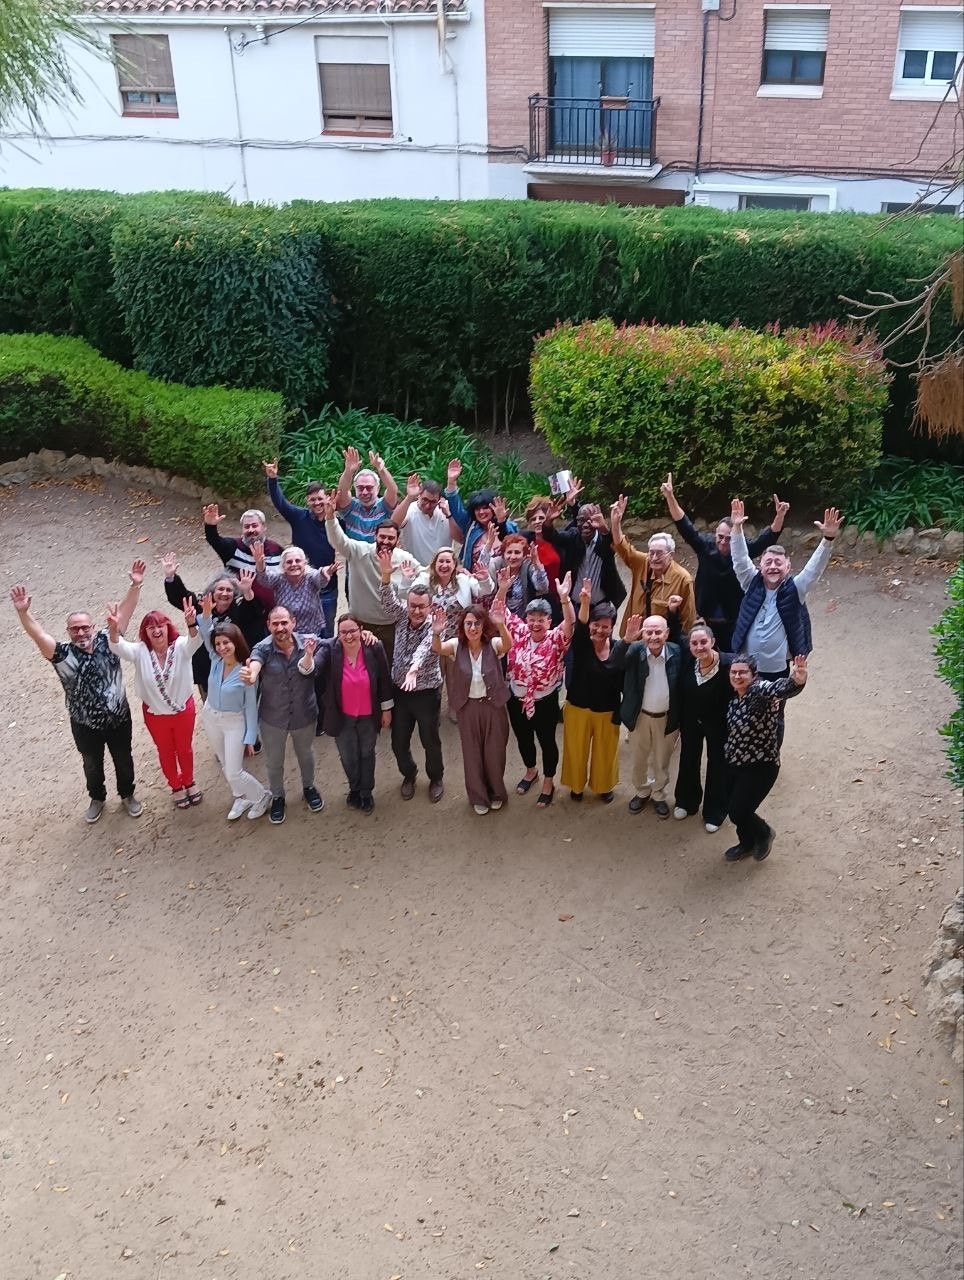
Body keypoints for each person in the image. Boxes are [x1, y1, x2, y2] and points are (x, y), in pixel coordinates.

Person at [10, 562, 146, 823]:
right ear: (68, 632)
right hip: (84, 724)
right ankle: (97, 798)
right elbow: (38, 635)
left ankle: (128, 794)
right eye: (75, 628)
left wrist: (135, 584)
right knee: (91, 764)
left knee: (123, 759)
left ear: (93, 627)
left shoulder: (109, 639)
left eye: (85, 627)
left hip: (119, 718)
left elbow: (125, 611)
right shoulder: (61, 654)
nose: (81, 632)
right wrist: (23, 613)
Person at [730, 498, 841, 743]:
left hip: (776, 670)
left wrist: (827, 539)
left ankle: (771, 754)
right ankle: (745, 747)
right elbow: (739, 559)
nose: (772, 567)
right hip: (747, 667)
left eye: (778, 563)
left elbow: (814, 569)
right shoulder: (751, 582)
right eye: (768, 562)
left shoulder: (796, 588)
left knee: (774, 715)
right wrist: (736, 529)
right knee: (743, 710)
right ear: (760, 566)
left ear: (788, 567)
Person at [660, 473, 787, 651]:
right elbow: (683, 524)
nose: (723, 542)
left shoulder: (743, 549)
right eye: (720, 537)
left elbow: (768, 538)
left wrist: (780, 516)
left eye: (729, 538)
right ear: (715, 535)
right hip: (705, 619)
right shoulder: (705, 546)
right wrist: (670, 497)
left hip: (735, 620)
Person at [108, 598, 203, 809]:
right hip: (156, 715)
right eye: (151, 627)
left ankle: (189, 781)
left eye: (160, 625)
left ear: (168, 627)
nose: (157, 631)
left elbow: (195, 641)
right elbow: (117, 646)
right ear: (145, 632)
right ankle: (176, 786)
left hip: (183, 711)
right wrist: (114, 629)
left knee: (185, 749)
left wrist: (191, 623)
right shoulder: (140, 651)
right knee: (165, 751)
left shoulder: (180, 646)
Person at [241, 606, 325, 825]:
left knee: (306, 755)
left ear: (293, 623)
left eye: (284, 623)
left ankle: (309, 787)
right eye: (275, 624)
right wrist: (252, 674)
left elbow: (334, 643)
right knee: (274, 761)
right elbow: (255, 663)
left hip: (304, 714)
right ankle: (278, 796)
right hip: (273, 718)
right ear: (269, 625)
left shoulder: (308, 642)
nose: (280, 628)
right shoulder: (262, 648)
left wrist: (363, 633)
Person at [432, 590, 513, 815]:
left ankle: (496, 793)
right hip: (468, 709)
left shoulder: (492, 644)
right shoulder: (456, 645)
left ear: (483, 625)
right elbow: (437, 648)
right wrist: (436, 633)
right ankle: (478, 796)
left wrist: (501, 625)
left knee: (494, 754)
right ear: (463, 626)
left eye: (477, 623)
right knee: (472, 755)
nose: (473, 628)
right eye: (468, 623)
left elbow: (507, 645)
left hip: (493, 708)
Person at [723, 653, 808, 863]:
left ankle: (764, 833)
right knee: (738, 808)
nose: (737, 676)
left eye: (743, 672)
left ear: (753, 675)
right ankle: (746, 843)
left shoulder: (760, 692)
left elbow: (779, 688)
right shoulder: (734, 697)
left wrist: (797, 679)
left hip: (761, 765)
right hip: (735, 761)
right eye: (734, 672)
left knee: (738, 811)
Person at [504, 570, 576, 807]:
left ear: (549, 621)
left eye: (541, 619)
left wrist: (564, 599)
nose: (535, 623)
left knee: (547, 741)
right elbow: (499, 611)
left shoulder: (556, 638)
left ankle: (548, 780)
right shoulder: (518, 632)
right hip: (516, 698)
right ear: (526, 619)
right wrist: (502, 589)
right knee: (523, 738)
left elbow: (570, 622)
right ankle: (530, 771)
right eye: (531, 618)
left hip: (544, 701)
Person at [196, 596, 272, 821]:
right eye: (218, 643)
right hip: (211, 717)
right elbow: (206, 633)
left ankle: (262, 796)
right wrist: (206, 614)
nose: (221, 647)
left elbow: (250, 707)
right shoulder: (215, 659)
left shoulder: (246, 671)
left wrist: (250, 737)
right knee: (224, 764)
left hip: (233, 722)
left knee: (234, 771)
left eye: (226, 643)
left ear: (236, 642)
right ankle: (240, 796)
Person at [377, 555, 445, 803]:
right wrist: (386, 575)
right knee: (398, 742)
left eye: (421, 607)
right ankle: (409, 774)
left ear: (430, 606)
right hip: (400, 693)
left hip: (426, 693)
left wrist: (414, 669)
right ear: (407, 604)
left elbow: (426, 649)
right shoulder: (400, 616)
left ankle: (436, 778)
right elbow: (387, 600)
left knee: (430, 740)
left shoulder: (436, 627)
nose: (416, 611)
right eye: (413, 605)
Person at [324, 498, 421, 664]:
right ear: (375, 536)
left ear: (397, 541)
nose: (385, 542)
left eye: (390, 538)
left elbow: (425, 574)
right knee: (362, 667)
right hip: (361, 624)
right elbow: (338, 540)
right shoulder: (358, 551)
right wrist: (330, 517)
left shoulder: (404, 559)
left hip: (391, 625)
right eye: (382, 536)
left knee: (388, 666)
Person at [560, 580, 631, 804]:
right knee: (575, 750)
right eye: (595, 624)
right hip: (578, 707)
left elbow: (623, 678)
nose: (599, 630)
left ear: (612, 628)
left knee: (606, 752)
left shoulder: (619, 648)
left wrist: (629, 639)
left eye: (605, 626)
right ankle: (576, 786)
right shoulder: (582, 643)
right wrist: (585, 602)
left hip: (607, 711)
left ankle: (603, 786)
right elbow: (581, 625)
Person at [314, 614, 393, 813]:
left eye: (352, 631)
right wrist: (307, 659)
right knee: (348, 756)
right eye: (343, 632)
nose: (348, 636)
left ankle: (366, 792)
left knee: (367, 754)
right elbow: (313, 667)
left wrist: (386, 710)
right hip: (342, 716)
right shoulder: (331, 649)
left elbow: (384, 679)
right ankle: (354, 788)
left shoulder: (374, 647)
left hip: (368, 715)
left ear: (361, 630)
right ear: (338, 634)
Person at [162, 554, 266, 698]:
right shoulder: (201, 605)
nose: (224, 593)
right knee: (211, 706)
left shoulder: (239, 608)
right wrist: (171, 577)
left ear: (234, 594)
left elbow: (255, 613)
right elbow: (181, 597)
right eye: (220, 589)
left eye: (229, 590)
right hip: (207, 670)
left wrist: (247, 591)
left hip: (236, 672)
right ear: (212, 591)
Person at [262, 459, 339, 637]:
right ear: (307, 501)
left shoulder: (336, 522)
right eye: (313, 500)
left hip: (327, 585)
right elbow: (280, 503)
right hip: (298, 584)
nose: (317, 503)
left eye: (320, 498)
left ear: (327, 499)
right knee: (294, 630)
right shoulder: (299, 517)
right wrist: (272, 479)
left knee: (327, 630)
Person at [670, 619, 732, 834]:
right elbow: (675, 633)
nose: (699, 647)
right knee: (688, 758)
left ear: (713, 641)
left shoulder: (728, 664)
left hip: (719, 723)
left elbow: (748, 678)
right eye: (694, 643)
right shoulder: (688, 659)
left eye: (703, 642)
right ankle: (686, 801)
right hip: (690, 720)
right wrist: (673, 612)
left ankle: (715, 811)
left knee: (718, 764)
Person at [620, 613, 682, 818]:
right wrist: (626, 640)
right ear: (642, 634)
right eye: (648, 632)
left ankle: (658, 794)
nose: (653, 637)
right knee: (639, 759)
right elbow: (615, 663)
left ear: (667, 633)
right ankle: (642, 791)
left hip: (666, 718)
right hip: (640, 717)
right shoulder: (634, 651)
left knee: (661, 760)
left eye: (658, 632)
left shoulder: (676, 652)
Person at [610, 495, 696, 637]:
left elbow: (688, 619)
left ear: (671, 555)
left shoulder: (683, 579)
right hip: (634, 637)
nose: (654, 558)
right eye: (651, 552)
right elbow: (622, 547)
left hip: (660, 640)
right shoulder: (643, 562)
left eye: (659, 553)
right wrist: (616, 523)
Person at [203, 502, 282, 612]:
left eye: (255, 525)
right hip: (240, 612)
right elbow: (214, 540)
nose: (251, 530)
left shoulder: (276, 549)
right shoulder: (233, 547)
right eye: (246, 526)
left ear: (264, 527)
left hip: (272, 611)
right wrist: (210, 526)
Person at [252, 542, 337, 641]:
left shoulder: (310, 576)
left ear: (304, 563)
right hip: (286, 634)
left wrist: (324, 572)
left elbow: (320, 579)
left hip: (311, 633)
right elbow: (264, 579)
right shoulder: (279, 579)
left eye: (298, 561)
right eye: (289, 562)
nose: (294, 564)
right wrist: (260, 565)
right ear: (283, 566)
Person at [444, 459, 517, 567]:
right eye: (477, 509)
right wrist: (451, 482)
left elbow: (514, 544)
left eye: (485, 508)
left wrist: (501, 521)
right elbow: (455, 507)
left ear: (493, 508)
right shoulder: (470, 525)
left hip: (506, 575)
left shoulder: (510, 526)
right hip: (475, 576)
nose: (481, 512)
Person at [335, 446, 398, 541]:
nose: (364, 492)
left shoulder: (384, 505)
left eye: (369, 488)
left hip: (378, 550)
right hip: (354, 550)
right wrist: (348, 471)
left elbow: (392, 490)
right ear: (355, 488)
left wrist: (381, 469)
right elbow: (342, 491)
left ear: (378, 488)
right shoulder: (351, 506)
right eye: (360, 488)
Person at [391, 472, 453, 563]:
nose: (428, 505)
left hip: (441, 567)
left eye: (433, 502)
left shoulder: (445, 509)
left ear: (439, 500)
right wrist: (409, 497)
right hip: (415, 567)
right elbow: (393, 524)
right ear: (419, 495)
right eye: (425, 499)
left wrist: (449, 515)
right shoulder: (410, 509)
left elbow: (460, 538)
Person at [489, 534, 550, 616]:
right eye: (509, 552)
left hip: (524, 617)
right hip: (498, 615)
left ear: (524, 555)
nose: (513, 557)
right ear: (503, 554)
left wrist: (536, 563)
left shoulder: (528, 565)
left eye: (517, 552)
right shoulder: (496, 565)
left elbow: (542, 588)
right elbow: (488, 593)